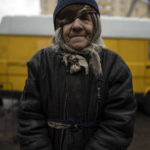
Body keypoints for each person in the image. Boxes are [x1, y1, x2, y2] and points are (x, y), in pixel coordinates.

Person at [18, 0, 137, 150]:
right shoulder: (41, 63)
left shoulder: (114, 66)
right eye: (68, 19)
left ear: (95, 25)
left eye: (85, 18)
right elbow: (30, 121)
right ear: (59, 28)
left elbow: (119, 124)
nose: (76, 26)